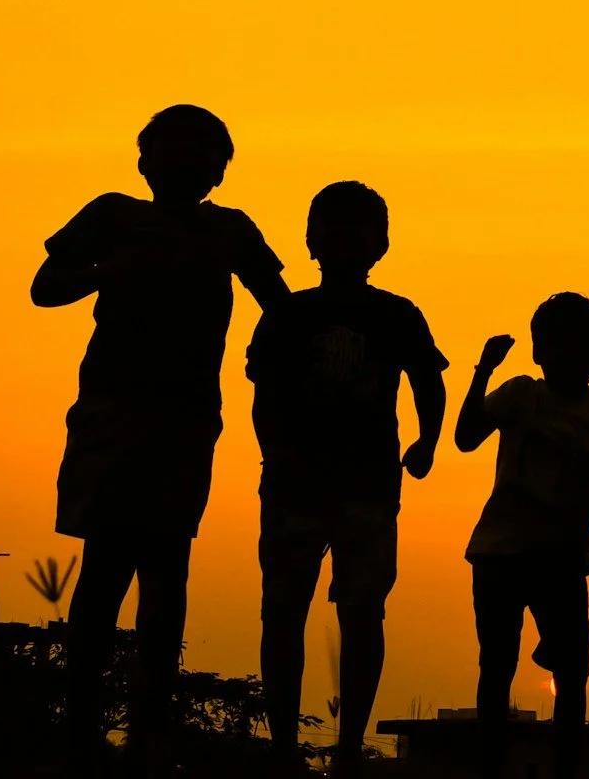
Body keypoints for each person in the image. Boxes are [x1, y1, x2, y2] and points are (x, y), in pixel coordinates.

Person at [31, 104, 290, 773]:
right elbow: (44, 287)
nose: (187, 163)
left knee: (166, 571)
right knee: (105, 569)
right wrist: (107, 273)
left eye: (203, 153)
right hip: (113, 415)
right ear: (145, 161)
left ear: (220, 169)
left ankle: (149, 732)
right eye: (174, 150)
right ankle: (83, 729)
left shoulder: (230, 230)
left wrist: (268, 354)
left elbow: (282, 307)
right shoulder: (113, 215)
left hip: (184, 421)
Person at [248, 180, 448, 776]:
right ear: (310, 240)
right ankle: (284, 746)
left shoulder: (396, 314)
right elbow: (264, 396)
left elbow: (428, 380)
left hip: (367, 487)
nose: (344, 238)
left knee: (361, 613)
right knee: (284, 612)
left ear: (380, 243)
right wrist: (275, 454)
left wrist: (428, 441)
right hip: (296, 485)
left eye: (359, 228)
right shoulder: (288, 314)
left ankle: (348, 747)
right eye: (331, 227)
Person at [456, 294, 589, 779]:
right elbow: (466, 437)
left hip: (555, 556)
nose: (567, 358)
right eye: (558, 347)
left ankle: (561, 767)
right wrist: (482, 371)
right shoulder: (521, 394)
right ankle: (494, 765)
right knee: (502, 667)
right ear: (539, 351)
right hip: (505, 552)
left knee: (568, 672)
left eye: (579, 349)